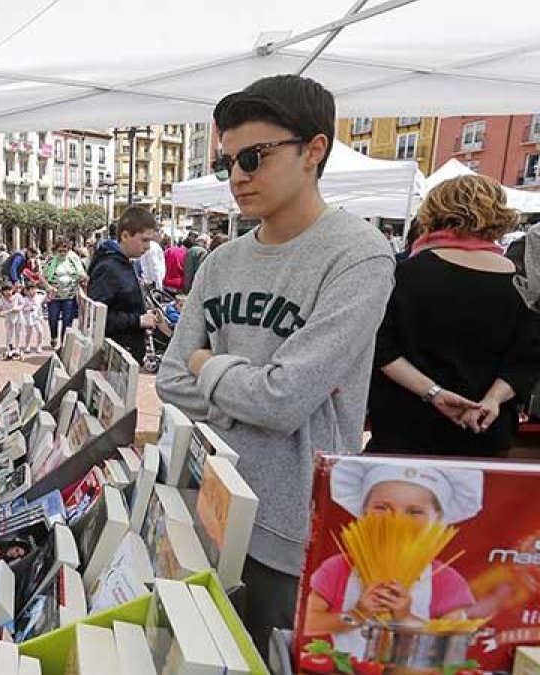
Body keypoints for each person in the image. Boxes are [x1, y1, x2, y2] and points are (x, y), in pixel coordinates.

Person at [155, 74, 396, 654]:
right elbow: (168, 378)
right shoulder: (220, 261)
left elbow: (284, 400)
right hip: (207, 499)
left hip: (293, 524)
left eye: (254, 157)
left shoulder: (359, 254)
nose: (238, 175)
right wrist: (252, 393)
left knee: (275, 655)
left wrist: (211, 368)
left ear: (313, 151)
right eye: (228, 162)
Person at [366, 176, 540, 457]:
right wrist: (492, 401)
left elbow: (381, 348)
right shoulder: (521, 283)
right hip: (484, 426)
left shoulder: (402, 274)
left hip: (406, 428)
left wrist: (433, 393)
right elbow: (526, 358)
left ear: (433, 212)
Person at [302, 460, 482, 654]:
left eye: (414, 511)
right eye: (382, 507)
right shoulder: (338, 567)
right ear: (363, 512)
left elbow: (457, 643)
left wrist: (405, 619)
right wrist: (356, 614)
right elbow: (307, 622)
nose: (397, 519)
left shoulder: (445, 579)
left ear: (438, 520)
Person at [88, 206, 161, 362]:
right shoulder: (109, 268)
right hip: (113, 359)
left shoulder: (124, 263)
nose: (148, 247)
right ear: (125, 235)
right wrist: (138, 320)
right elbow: (97, 318)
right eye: (144, 240)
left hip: (122, 356)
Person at [42, 237, 87, 349]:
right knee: (53, 319)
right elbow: (42, 276)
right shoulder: (51, 261)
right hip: (54, 297)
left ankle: (64, 344)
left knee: (67, 322)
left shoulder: (74, 260)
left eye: (65, 250)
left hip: (69, 296)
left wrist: (83, 278)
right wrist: (48, 287)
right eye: (60, 251)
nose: (62, 253)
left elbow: (82, 274)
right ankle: (53, 337)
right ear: (56, 250)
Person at [0, 281, 24, 359]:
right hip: (9, 318)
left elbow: (22, 304)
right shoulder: (2, 298)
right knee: (9, 333)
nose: (8, 292)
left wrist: (17, 308)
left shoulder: (18, 296)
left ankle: (17, 347)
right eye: (5, 291)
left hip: (18, 316)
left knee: (18, 332)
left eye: (9, 290)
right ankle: (9, 347)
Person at [18, 282, 45, 353]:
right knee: (29, 333)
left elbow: (47, 297)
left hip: (37, 318)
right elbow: (21, 308)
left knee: (40, 331)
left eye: (34, 289)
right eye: (30, 290)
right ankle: (27, 346)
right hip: (28, 318)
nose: (32, 291)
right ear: (26, 291)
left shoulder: (39, 297)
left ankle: (39, 345)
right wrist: (28, 309)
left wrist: (50, 291)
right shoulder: (24, 299)